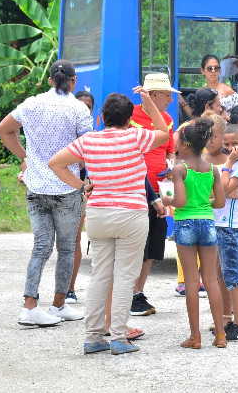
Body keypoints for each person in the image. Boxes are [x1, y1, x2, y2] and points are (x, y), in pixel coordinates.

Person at [48, 91, 169, 355]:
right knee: (125, 277)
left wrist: (82, 186)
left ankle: (93, 337)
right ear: (130, 120)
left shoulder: (89, 141)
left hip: (99, 214)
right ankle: (118, 337)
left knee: (100, 275)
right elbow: (163, 133)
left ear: (102, 117)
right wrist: (149, 105)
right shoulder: (136, 136)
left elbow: (55, 163)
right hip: (132, 215)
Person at [0, 59, 92, 327]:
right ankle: (59, 304)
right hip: (67, 186)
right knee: (65, 248)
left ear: (50, 79)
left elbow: (4, 129)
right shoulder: (78, 109)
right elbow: (87, 148)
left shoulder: (30, 104)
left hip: (36, 185)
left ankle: (29, 306)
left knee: (40, 248)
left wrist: (25, 157)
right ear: (72, 82)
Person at [165, 118, 227, 349]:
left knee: (191, 282)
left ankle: (195, 336)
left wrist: (166, 199)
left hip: (186, 224)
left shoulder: (180, 169)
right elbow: (220, 202)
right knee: (211, 279)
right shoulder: (213, 170)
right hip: (208, 223)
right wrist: (203, 202)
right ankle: (220, 335)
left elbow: (179, 201)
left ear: (187, 145)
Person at [127, 72, 179, 316]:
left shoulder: (167, 119)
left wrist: (170, 167)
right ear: (154, 95)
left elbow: (171, 152)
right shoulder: (131, 117)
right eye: (167, 95)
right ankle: (128, 293)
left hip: (159, 188)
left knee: (155, 244)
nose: (170, 99)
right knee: (136, 243)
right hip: (135, 188)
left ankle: (138, 292)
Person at [208, 122, 238, 341]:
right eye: (226, 144)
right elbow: (220, 191)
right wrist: (225, 187)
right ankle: (226, 318)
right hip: (219, 223)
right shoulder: (226, 165)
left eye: (235, 144)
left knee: (234, 276)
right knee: (220, 275)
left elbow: (223, 190)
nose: (229, 148)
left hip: (234, 225)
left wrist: (227, 166)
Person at [66, 90, 95, 304]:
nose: (84, 109)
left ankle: (69, 288)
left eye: (88, 106)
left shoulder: (92, 136)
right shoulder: (62, 132)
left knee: (74, 239)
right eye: (81, 105)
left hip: (80, 189)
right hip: (57, 188)